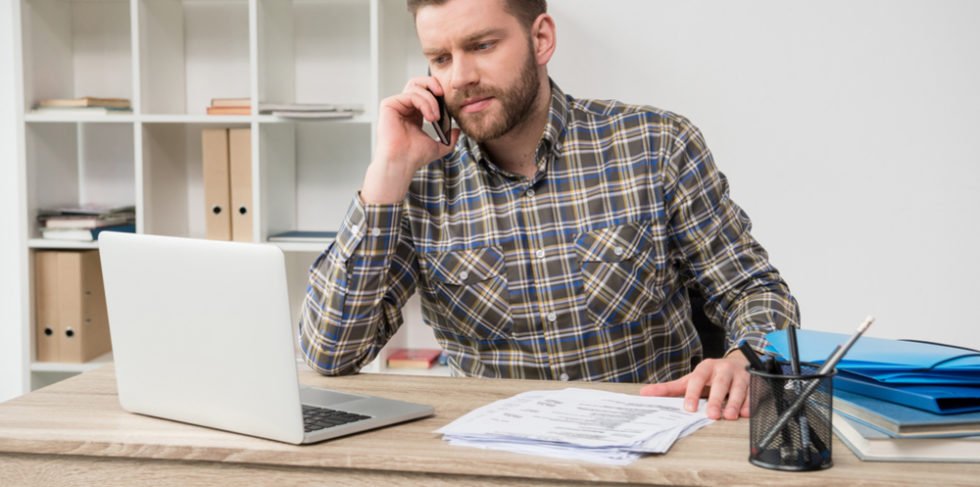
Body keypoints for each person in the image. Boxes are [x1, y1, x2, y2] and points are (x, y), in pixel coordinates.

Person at [299, 0, 800, 421]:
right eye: (440, 58)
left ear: (541, 39)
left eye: (481, 46)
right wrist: (385, 177)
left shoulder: (655, 144)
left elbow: (754, 290)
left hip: (649, 448)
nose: (462, 77)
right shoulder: (418, 184)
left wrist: (745, 357)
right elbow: (330, 353)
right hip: (499, 459)